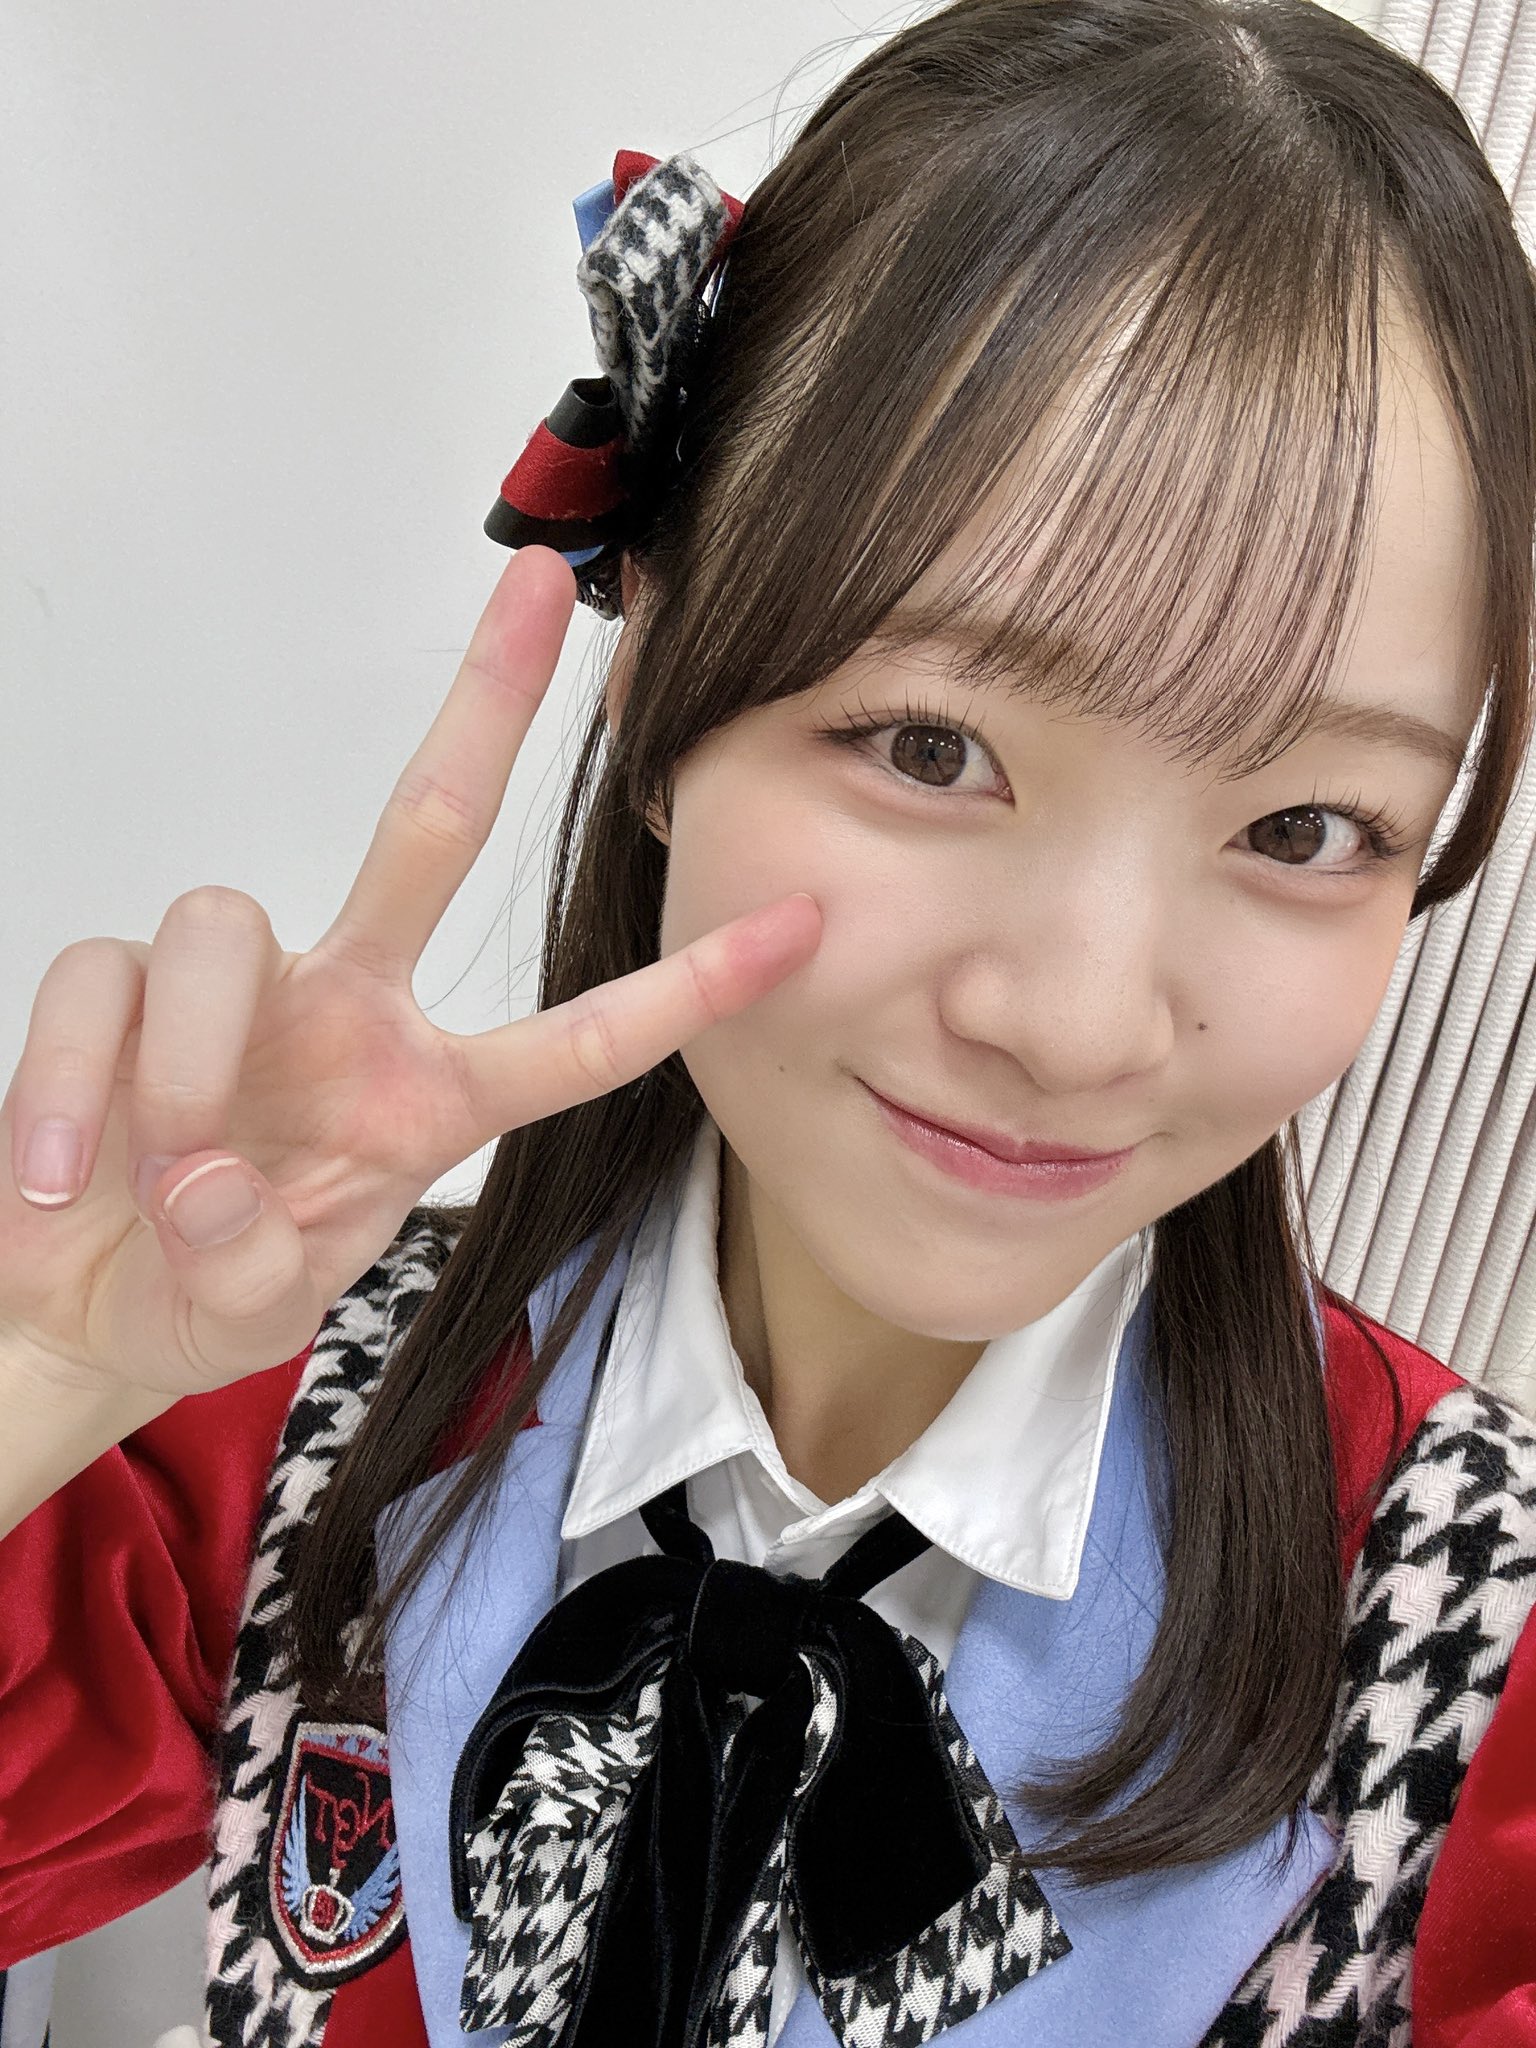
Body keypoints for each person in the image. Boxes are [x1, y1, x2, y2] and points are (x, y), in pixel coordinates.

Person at [2, 1, 1535, 2044]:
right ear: (656, 683)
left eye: (1305, 826)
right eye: (930, 744)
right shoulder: (274, 1404)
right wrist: (36, 1377)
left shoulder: (1480, 1662)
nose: (1078, 1023)